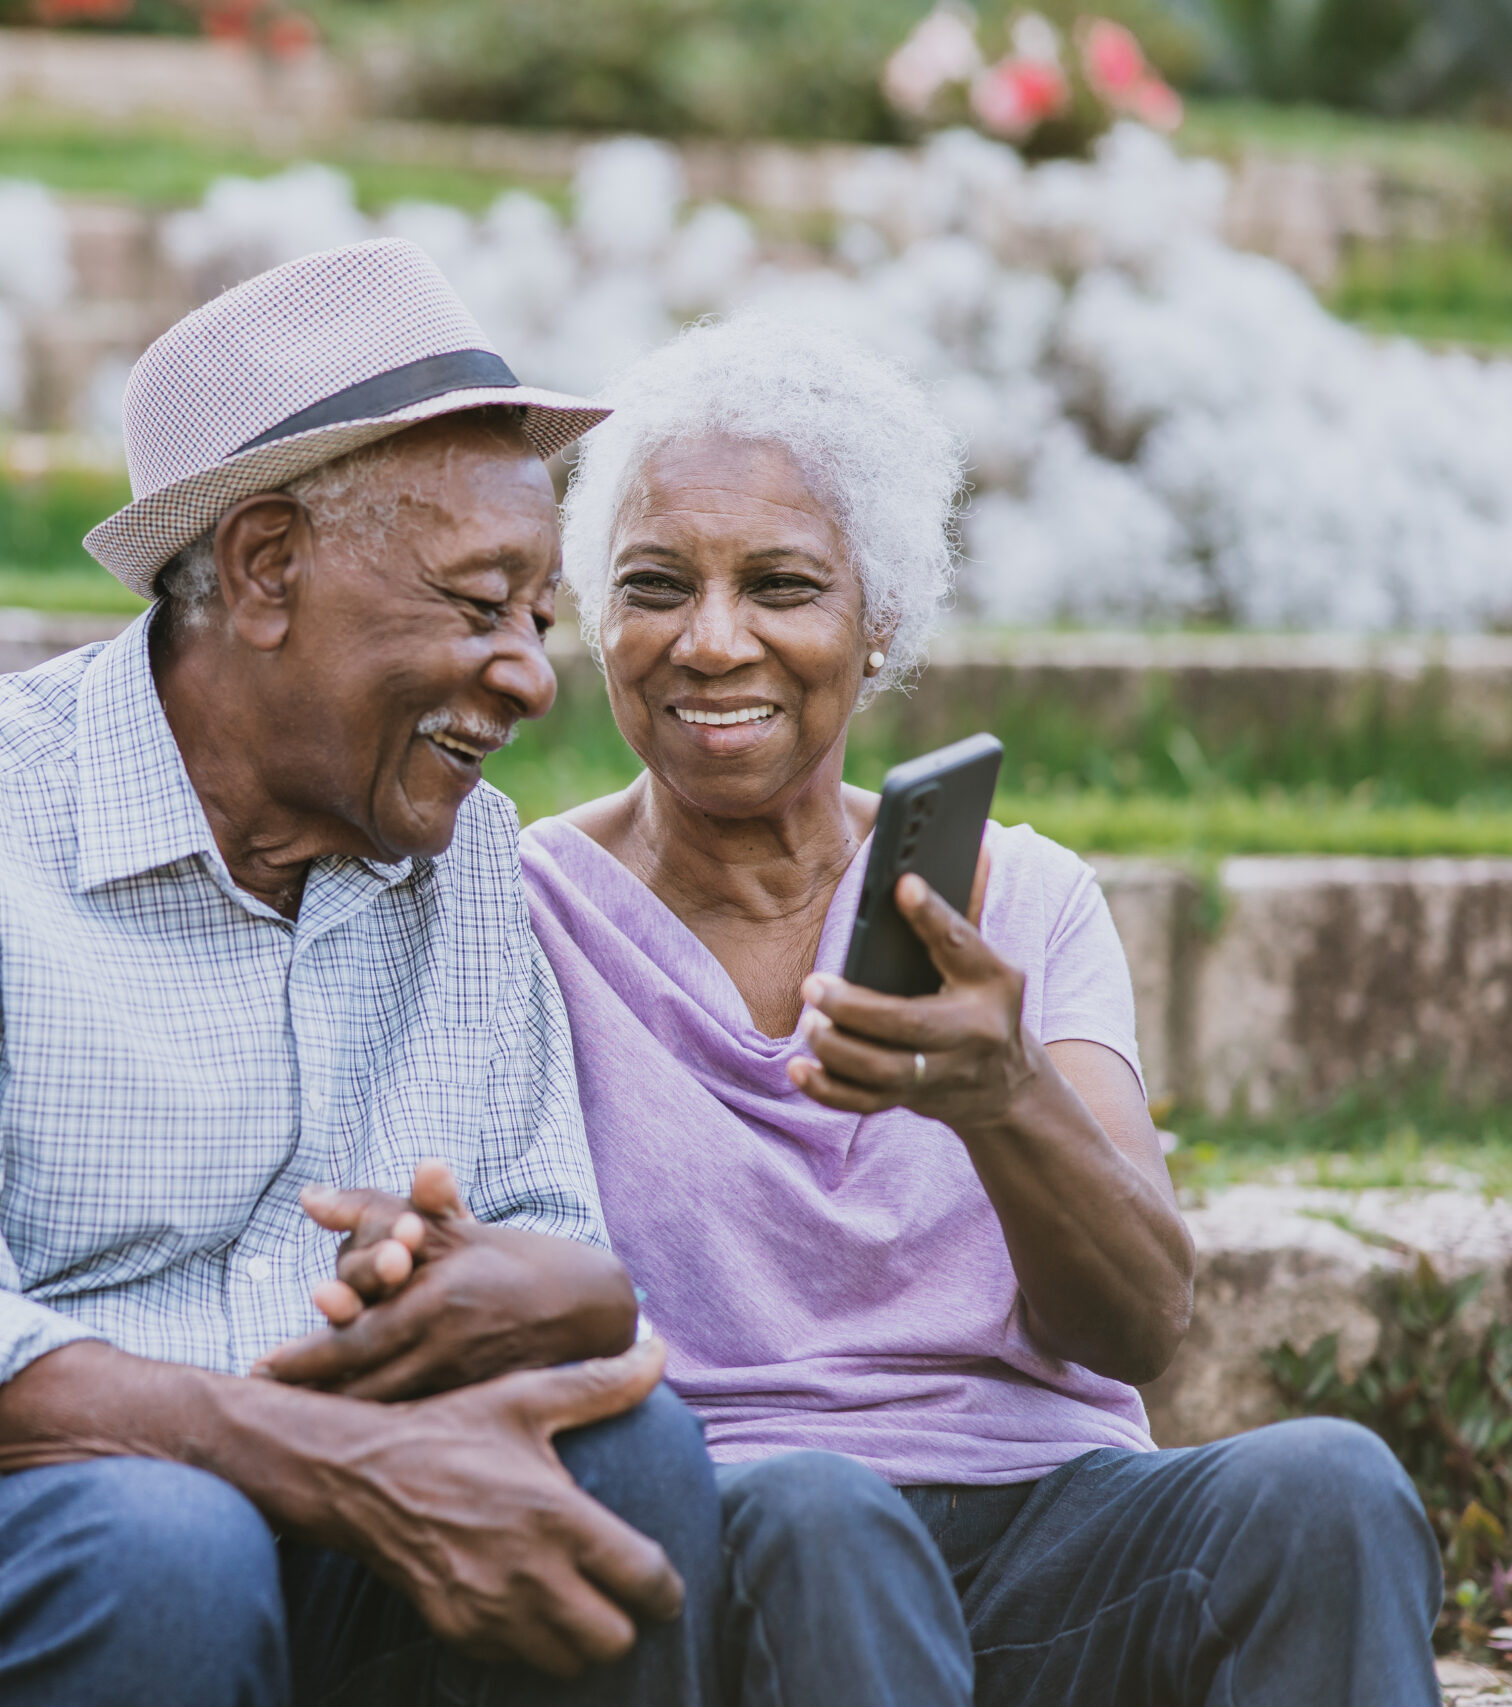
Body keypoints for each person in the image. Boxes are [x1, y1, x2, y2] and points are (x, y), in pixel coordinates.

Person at [0, 241, 726, 1707]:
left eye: (537, 619)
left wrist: (503, 1292)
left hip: (285, 1520)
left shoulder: (463, 853)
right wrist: (320, 1457)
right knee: (163, 1544)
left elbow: (553, 1246)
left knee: (621, 1457)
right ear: (266, 571)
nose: (532, 675)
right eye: (480, 606)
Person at [511, 315, 1442, 1705]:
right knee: (829, 1520)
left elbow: (1135, 1324)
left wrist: (1004, 1096)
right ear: (597, 616)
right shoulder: (528, 914)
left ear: (876, 622)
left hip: (1047, 1524)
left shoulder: (1027, 899)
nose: (711, 642)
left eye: (781, 585)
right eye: (656, 586)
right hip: (749, 1543)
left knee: (1329, 1485)